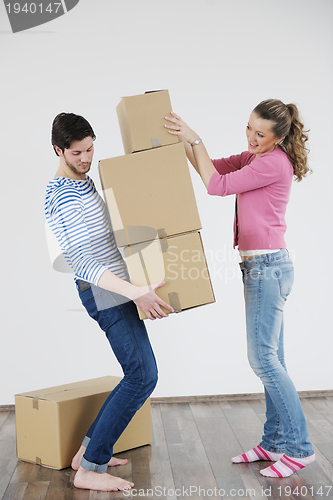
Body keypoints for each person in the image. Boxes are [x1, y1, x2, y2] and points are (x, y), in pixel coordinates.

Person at [165, 99, 315, 478]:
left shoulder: (270, 162)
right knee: (272, 360)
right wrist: (181, 138)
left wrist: (194, 137)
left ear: (277, 137)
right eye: (248, 127)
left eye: (259, 133)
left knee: (263, 361)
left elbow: (215, 187)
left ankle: (300, 448)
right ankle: (274, 442)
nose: (250, 136)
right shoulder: (255, 156)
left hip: (267, 268)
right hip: (260, 267)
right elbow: (211, 168)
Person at [45, 113, 173, 492]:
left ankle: (87, 451)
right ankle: (89, 469)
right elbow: (80, 261)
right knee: (142, 375)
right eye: (77, 153)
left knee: (140, 374)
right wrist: (136, 292)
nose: (86, 158)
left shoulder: (83, 183)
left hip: (118, 287)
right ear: (58, 150)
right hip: (103, 291)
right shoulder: (61, 195)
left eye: (89, 149)